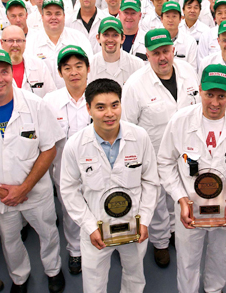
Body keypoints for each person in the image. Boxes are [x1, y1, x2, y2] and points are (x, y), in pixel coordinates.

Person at [0, 49, 66, 293]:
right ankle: (20, 277)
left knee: (48, 232)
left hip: (35, 192)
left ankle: (53, 270)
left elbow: (49, 150)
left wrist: (24, 187)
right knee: (9, 241)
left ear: (12, 73)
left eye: (4, 72)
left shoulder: (36, 106)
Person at [157, 64, 226, 293]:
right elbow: (165, 162)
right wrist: (180, 198)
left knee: (219, 253)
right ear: (199, 90)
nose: (215, 103)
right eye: (209, 95)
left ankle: (214, 289)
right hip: (188, 206)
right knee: (187, 258)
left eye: (222, 96)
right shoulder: (180, 121)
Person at [59, 78, 158, 293]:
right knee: (93, 283)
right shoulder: (75, 145)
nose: (110, 113)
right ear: (88, 109)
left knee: (134, 277)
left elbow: (150, 181)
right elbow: (68, 190)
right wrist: (89, 226)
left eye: (115, 105)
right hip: (95, 227)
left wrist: (146, 219)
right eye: (101, 107)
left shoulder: (139, 137)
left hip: (134, 224)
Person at [121, 28, 201, 267]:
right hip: (153, 156)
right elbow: (128, 127)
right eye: (156, 53)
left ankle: (175, 230)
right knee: (155, 202)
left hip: (186, 153)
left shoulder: (189, 73)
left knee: (181, 194)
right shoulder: (135, 85)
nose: (163, 57)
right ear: (147, 54)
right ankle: (160, 243)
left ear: (173, 50)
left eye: (166, 51)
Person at [43, 46, 92, 274]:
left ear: (88, 69)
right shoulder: (49, 102)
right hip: (64, 170)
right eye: (67, 68)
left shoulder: (98, 96)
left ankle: (109, 243)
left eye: (79, 66)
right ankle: (75, 251)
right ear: (60, 73)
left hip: (97, 169)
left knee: (101, 206)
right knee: (71, 212)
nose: (74, 72)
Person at [89, 17, 146, 85]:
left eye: (115, 35)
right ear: (98, 38)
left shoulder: (137, 65)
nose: (110, 40)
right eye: (106, 35)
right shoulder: (90, 65)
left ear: (123, 39)